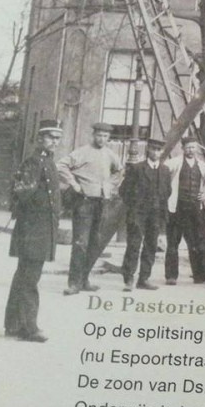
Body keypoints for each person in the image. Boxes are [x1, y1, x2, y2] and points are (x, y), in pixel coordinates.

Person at [4, 119, 62, 342]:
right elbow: (21, 193)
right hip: (32, 230)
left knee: (23, 277)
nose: (55, 142)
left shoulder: (48, 162)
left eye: (57, 138)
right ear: (40, 139)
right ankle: (29, 328)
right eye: (51, 137)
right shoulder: (34, 162)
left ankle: (13, 324)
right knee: (29, 279)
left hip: (41, 229)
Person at [58, 122, 123, 295]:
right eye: (99, 135)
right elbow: (61, 165)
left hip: (102, 203)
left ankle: (84, 279)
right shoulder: (81, 152)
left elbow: (119, 171)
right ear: (93, 135)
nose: (102, 139)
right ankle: (73, 283)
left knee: (95, 242)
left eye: (105, 136)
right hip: (84, 202)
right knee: (81, 243)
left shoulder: (110, 154)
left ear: (108, 138)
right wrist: (73, 183)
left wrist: (110, 185)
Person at [118, 139, 171, 292]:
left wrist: (160, 211)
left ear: (162, 152)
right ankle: (128, 278)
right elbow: (124, 191)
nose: (156, 153)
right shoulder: (137, 168)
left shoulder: (165, 170)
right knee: (134, 245)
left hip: (155, 215)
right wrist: (134, 208)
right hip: (138, 215)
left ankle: (144, 279)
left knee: (151, 246)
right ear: (148, 150)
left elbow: (167, 192)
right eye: (153, 149)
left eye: (159, 150)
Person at [164, 136, 205, 285]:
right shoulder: (174, 162)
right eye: (188, 147)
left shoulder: (201, 164)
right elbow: (162, 173)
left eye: (193, 147)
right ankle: (171, 276)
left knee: (197, 242)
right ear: (183, 148)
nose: (191, 150)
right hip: (177, 208)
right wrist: (167, 193)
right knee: (173, 242)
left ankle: (200, 275)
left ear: (197, 148)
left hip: (194, 208)